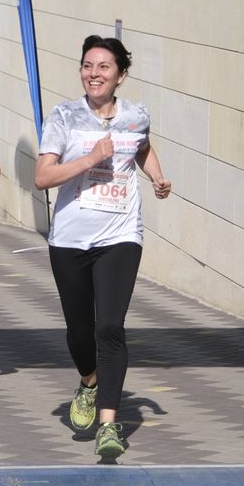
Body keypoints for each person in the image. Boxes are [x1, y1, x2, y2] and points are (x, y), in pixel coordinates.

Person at [33, 35, 171, 462]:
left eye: (103, 67)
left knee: (109, 326)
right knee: (80, 330)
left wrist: (157, 177)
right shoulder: (64, 116)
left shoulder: (136, 115)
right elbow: (42, 177)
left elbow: (141, 147)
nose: (94, 74)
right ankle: (89, 381)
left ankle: (109, 425)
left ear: (120, 75)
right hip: (70, 238)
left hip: (120, 234)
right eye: (87, 66)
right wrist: (90, 160)